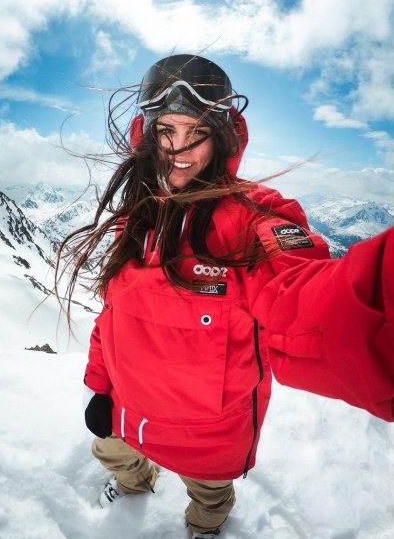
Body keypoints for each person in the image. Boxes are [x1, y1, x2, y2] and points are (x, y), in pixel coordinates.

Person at [57, 54, 394, 539]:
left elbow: (305, 300)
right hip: (128, 412)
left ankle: (205, 526)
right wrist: (98, 386)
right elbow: (113, 314)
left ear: (222, 136)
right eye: (166, 130)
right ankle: (134, 485)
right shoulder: (137, 218)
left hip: (210, 434)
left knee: (210, 496)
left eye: (196, 131)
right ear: (147, 134)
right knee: (114, 456)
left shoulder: (254, 219)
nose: (178, 148)